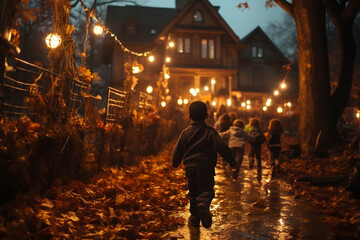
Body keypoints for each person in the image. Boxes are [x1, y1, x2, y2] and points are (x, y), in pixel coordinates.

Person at [172, 101, 237, 228]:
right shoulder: (210, 132)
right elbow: (221, 147)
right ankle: (203, 204)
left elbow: (178, 149)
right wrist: (232, 161)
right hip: (206, 168)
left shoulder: (185, 132)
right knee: (207, 190)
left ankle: (194, 217)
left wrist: (175, 162)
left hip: (190, 168)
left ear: (189, 116)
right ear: (207, 116)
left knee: (193, 192)